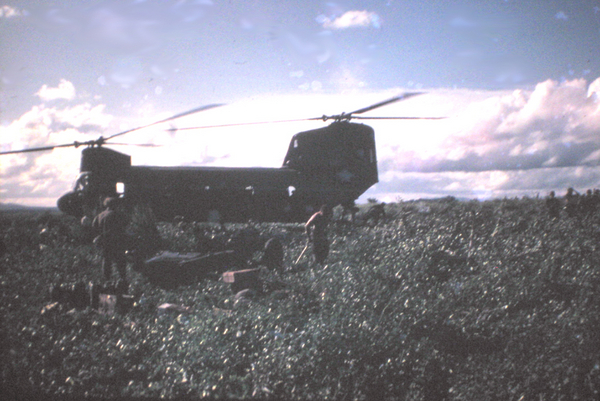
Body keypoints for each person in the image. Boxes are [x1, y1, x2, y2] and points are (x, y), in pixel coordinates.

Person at [92, 197, 130, 282]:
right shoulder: (117, 214)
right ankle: (122, 280)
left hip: (104, 242)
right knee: (120, 261)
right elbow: (125, 223)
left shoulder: (100, 215)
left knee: (106, 261)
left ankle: (107, 280)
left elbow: (94, 226)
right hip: (116, 241)